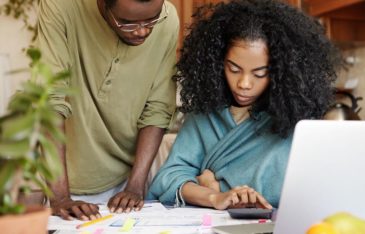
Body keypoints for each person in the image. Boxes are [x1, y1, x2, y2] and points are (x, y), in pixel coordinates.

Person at [147, 0, 339, 209]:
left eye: (259, 73)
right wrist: (212, 196)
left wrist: (216, 185)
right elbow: (168, 178)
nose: (244, 84)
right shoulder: (204, 113)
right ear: (217, 63)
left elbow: (298, 186)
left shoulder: (294, 119)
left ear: (280, 72)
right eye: (234, 69)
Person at [35, 0, 178, 220]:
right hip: (62, 181)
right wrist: (60, 197)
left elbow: (158, 107)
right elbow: (50, 100)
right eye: (127, 22)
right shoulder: (59, 6)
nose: (142, 31)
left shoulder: (168, 21)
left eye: (152, 19)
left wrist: (136, 186)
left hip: (127, 182)